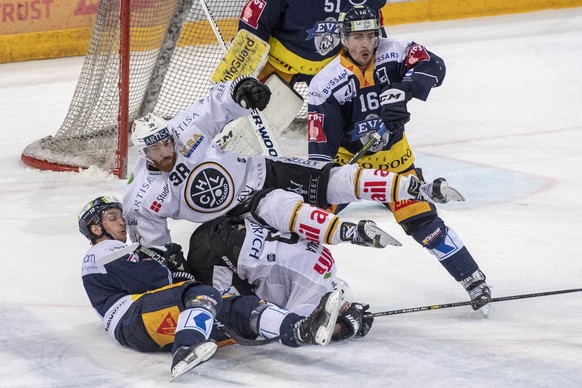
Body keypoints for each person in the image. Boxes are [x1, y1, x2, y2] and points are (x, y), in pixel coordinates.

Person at [123, 76, 455, 252]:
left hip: (261, 169)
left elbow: (216, 103)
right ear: (143, 154)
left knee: (331, 178)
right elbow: (153, 245)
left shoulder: (184, 130)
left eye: (166, 142)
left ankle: (415, 187)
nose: (167, 151)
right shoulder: (142, 195)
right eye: (157, 149)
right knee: (288, 214)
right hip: (237, 215)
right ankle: (354, 234)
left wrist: (240, 90)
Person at [306, 5, 491, 312]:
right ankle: (307, 289)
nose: (365, 44)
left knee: (423, 223)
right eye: (357, 37)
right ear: (343, 39)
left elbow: (436, 66)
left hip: (396, 162)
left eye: (370, 35)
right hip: (350, 170)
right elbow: (320, 151)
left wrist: (403, 89)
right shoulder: (324, 85)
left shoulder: (396, 51)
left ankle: (473, 279)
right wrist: (345, 157)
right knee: (311, 219)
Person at [78, 195, 343, 381]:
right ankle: (186, 348)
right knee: (199, 292)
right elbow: (152, 279)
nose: (121, 222)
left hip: (153, 320)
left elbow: (160, 279)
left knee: (239, 309)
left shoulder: (118, 250)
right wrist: (170, 267)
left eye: (121, 217)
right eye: (112, 218)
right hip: (131, 319)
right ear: (95, 227)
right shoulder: (100, 251)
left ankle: (301, 328)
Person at [186, 214, 374, 342]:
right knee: (242, 318)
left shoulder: (326, 261)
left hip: (218, 228)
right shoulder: (316, 291)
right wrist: (346, 327)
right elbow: (306, 330)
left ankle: (181, 271)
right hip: (215, 257)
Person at [238, 0, 386, 86]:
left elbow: (374, 31)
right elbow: (256, 20)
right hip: (276, 63)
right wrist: (245, 69)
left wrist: (387, 76)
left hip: (331, 67)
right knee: (245, 102)